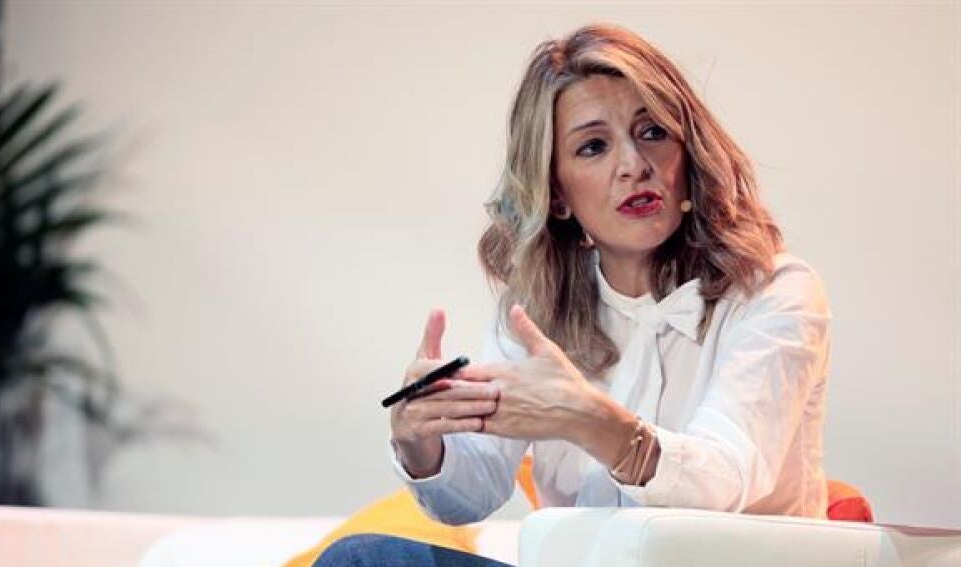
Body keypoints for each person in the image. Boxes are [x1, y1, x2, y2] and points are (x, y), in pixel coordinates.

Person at [315, 22, 830, 566]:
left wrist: (588, 419)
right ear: (556, 193)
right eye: (593, 147)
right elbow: (471, 493)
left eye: (653, 131)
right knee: (363, 559)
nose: (634, 164)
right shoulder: (537, 311)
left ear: (689, 154)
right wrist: (421, 442)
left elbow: (724, 482)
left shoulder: (775, 291)